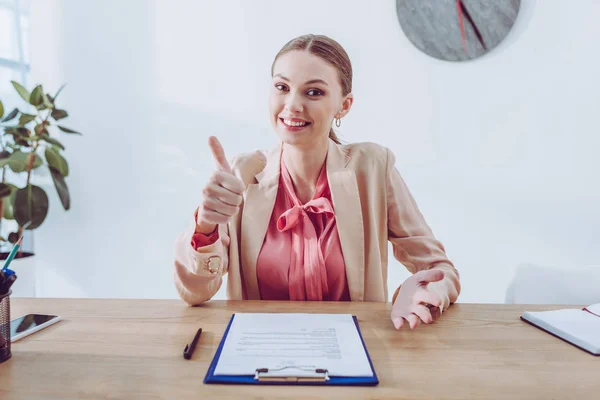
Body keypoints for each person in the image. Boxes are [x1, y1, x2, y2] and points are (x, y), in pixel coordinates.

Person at [173, 34, 460, 330]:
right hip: (260, 351)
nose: (292, 105)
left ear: (344, 106)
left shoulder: (373, 168)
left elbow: (441, 270)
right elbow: (195, 292)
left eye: (313, 93)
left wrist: (419, 292)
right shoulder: (241, 174)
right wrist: (205, 227)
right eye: (282, 87)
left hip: (356, 350)